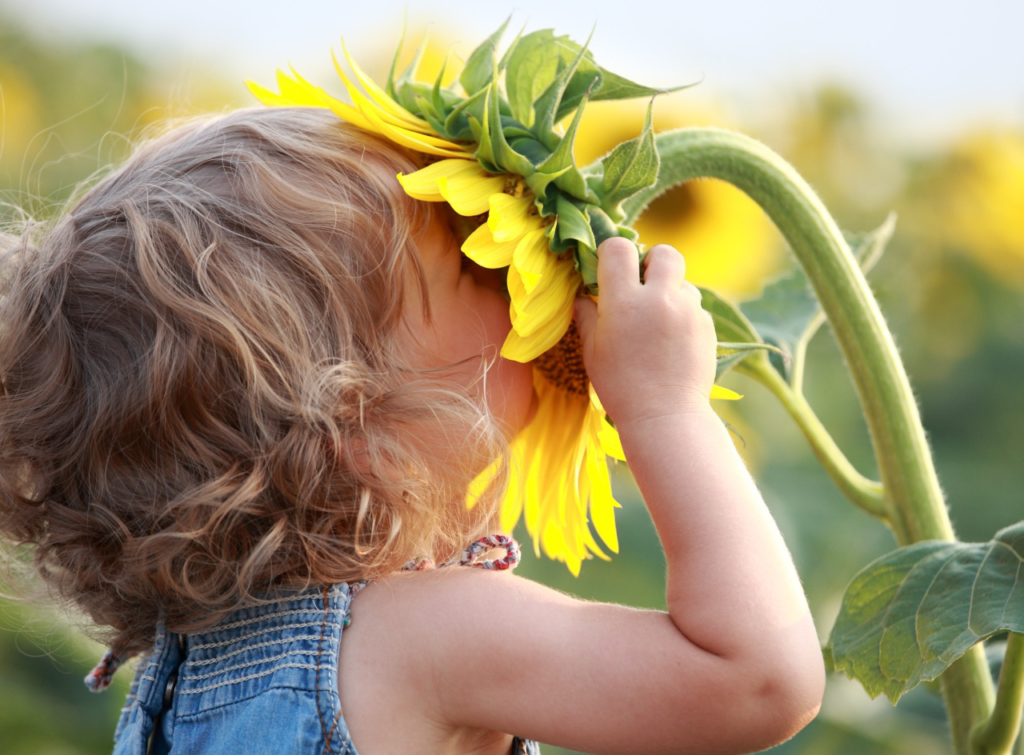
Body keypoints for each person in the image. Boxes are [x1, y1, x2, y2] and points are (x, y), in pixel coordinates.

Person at [0, 106, 824, 755]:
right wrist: (664, 407)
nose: (514, 285)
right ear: (362, 433)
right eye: (473, 265)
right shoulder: (424, 637)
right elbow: (755, 678)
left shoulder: (190, 667)